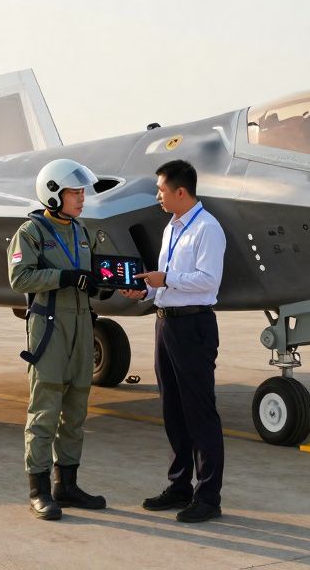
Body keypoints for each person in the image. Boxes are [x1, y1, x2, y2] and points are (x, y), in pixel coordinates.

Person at [121, 159, 227, 523]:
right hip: (166, 324)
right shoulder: (172, 227)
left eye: (161, 190)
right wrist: (146, 291)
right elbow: (168, 282)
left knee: (200, 411)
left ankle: (208, 497)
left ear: (181, 192)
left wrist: (165, 279)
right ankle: (179, 485)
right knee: (173, 410)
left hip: (193, 325)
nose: (157, 196)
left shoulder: (207, 228)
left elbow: (208, 281)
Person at [8, 158, 111, 520]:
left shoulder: (82, 231)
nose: (82, 198)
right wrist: (64, 277)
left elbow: (93, 273)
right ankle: (38, 490)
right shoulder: (31, 232)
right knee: (45, 408)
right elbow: (20, 278)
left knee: (76, 409)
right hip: (50, 327)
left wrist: (101, 283)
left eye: (82, 192)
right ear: (53, 194)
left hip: (82, 326)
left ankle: (66, 485)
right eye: (75, 192)